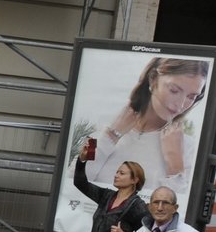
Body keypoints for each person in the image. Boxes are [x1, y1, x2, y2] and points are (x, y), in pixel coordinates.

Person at [83, 57, 207, 195]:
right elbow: (72, 180)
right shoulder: (102, 125)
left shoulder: (188, 147)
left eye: (191, 97)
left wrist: (175, 167)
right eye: (174, 90)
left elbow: (180, 208)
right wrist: (110, 136)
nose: (181, 104)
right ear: (153, 79)